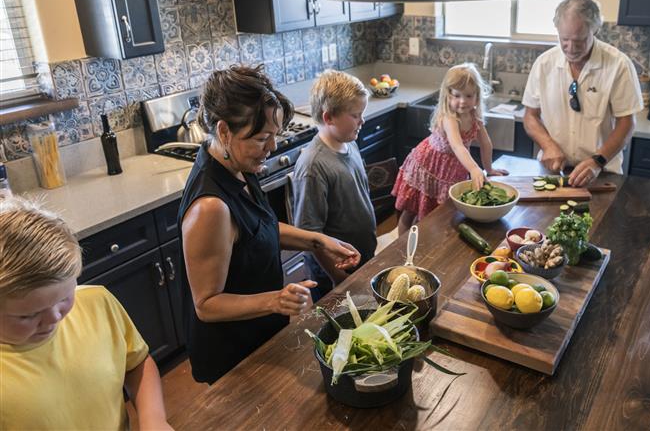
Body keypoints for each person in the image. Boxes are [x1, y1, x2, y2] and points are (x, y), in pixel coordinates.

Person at [179, 65, 361, 384]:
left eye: (274, 136)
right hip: (233, 355)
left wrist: (316, 240)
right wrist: (275, 300)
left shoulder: (236, 163)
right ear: (224, 131)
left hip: (261, 332)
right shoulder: (211, 208)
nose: (273, 147)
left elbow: (256, 228)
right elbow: (206, 304)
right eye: (264, 138)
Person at [0, 195, 171, 430]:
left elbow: (137, 363)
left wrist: (153, 420)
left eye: (64, 298)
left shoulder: (95, 302)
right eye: (28, 316)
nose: (55, 318)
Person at [522, 0, 643, 187]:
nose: (570, 48)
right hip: (553, 171)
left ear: (594, 29)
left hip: (602, 174)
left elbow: (626, 123)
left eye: (579, 41)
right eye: (564, 39)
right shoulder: (544, 63)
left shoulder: (618, 65)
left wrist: (597, 161)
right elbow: (530, 116)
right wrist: (548, 145)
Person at [392, 63, 508, 235]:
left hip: (451, 172)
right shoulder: (449, 118)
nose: (462, 101)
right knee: (410, 212)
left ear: (477, 96)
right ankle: (400, 246)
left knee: (437, 215)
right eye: (457, 95)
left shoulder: (474, 117)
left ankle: (426, 244)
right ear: (447, 95)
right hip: (427, 166)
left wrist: (489, 169)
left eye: (468, 95)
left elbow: (486, 144)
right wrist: (475, 168)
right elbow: (457, 146)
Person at [292, 70, 376, 300]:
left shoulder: (348, 141)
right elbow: (310, 234)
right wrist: (339, 279)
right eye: (356, 115)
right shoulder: (313, 166)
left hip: (360, 258)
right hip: (334, 272)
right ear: (328, 117)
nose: (362, 121)